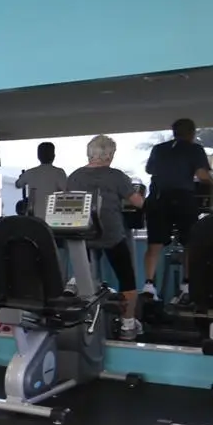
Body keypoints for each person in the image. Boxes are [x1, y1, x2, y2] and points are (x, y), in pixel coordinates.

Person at [67, 135, 147, 340]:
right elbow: (138, 203)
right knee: (126, 279)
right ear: (109, 155)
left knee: (84, 276)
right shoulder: (117, 176)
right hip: (111, 235)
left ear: (90, 154)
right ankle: (128, 325)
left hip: (83, 234)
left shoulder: (74, 176)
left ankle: (83, 315)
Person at [143, 118, 213, 298]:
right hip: (182, 198)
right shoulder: (195, 149)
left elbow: (149, 170)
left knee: (154, 244)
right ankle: (187, 284)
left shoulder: (158, 149)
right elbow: (202, 175)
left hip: (158, 198)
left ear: (174, 132)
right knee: (190, 242)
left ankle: (149, 285)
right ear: (192, 133)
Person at [15, 142, 67, 220]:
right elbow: (66, 192)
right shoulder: (59, 172)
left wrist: (22, 177)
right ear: (53, 156)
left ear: (38, 156)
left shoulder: (30, 172)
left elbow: (18, 184)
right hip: (53, 218)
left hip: (34, 218)